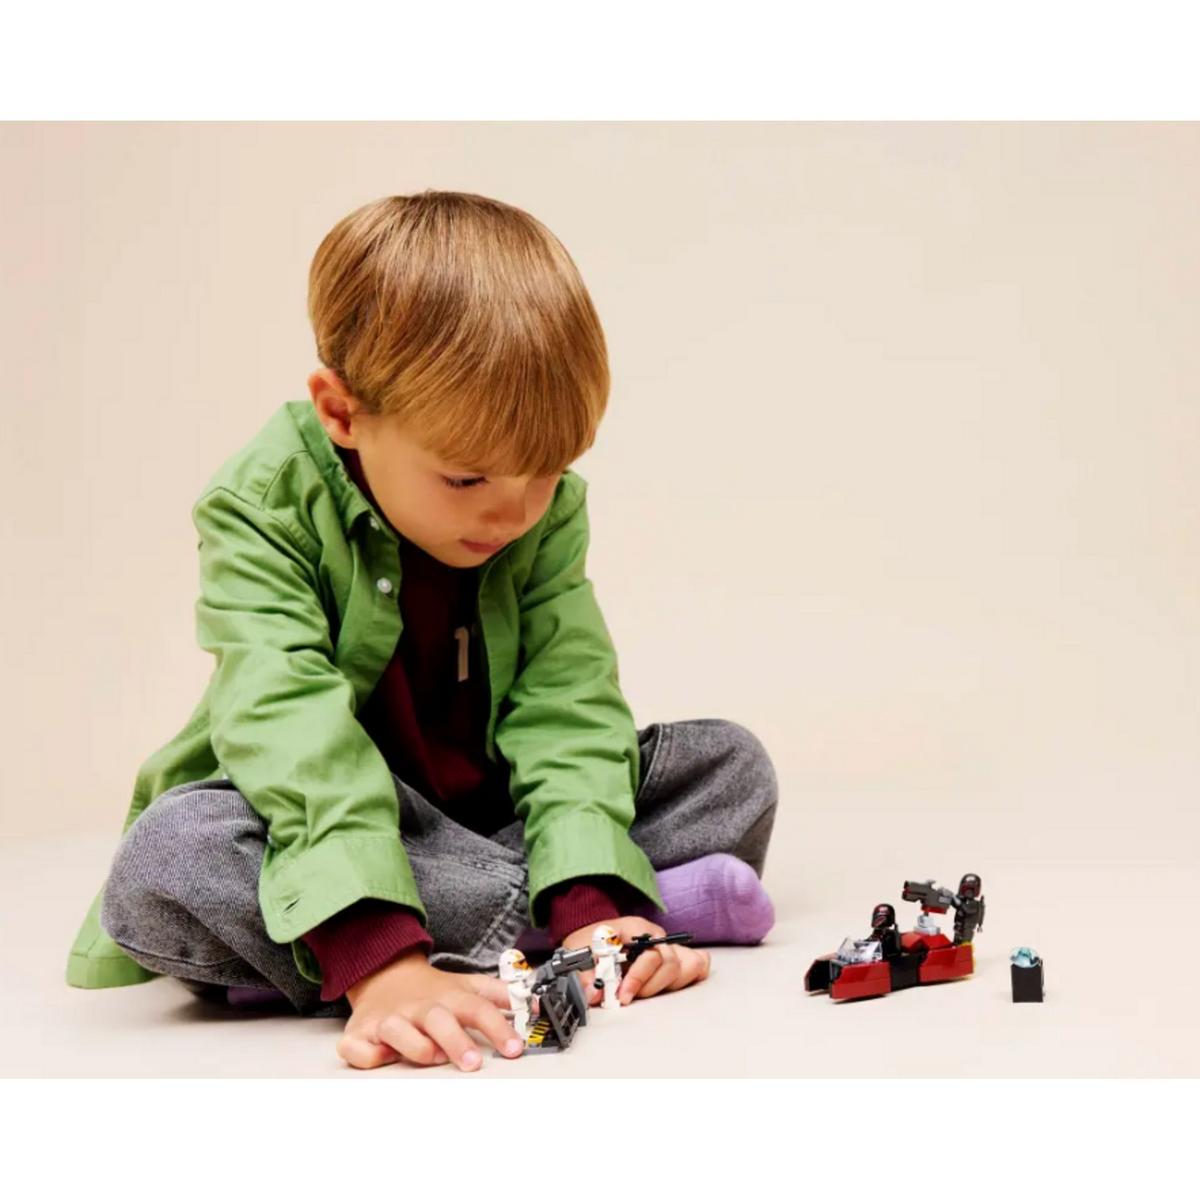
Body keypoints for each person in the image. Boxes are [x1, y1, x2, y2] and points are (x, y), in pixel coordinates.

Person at [66, 191, 779, 1072]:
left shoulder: (533, 510)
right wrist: (384, 965)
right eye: (467, 479)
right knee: (173, 856)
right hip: (322, 818)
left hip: (486, 813)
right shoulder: (261, 506)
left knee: (731, 765)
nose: (515, 514)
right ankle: (438, 935)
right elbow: (290, 732)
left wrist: (592, 898)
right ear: (342, 413)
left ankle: (553, 914)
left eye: (547, 474)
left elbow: (568, 699)